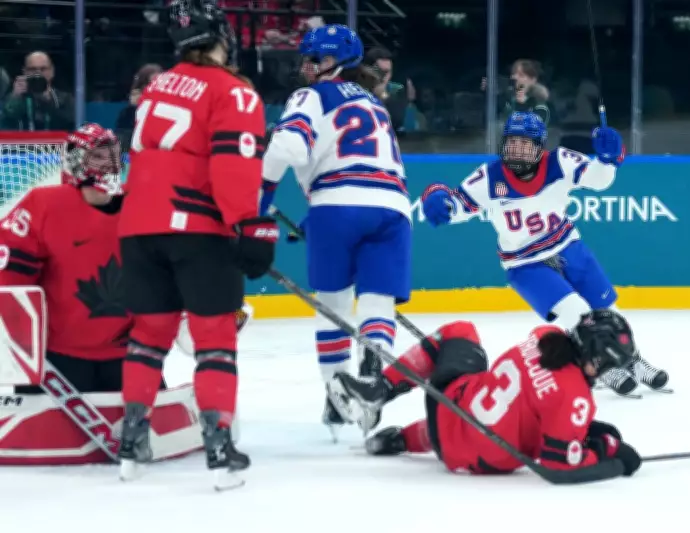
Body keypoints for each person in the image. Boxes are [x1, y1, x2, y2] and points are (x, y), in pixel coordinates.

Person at [117, 0, 278, 490]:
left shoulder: (158, 85)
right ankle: (219, 448)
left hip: (138, 226)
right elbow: (233, 166)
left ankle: (131, 443)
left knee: (148, 335)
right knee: (214, 339)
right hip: (197, 229)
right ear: (221, 36)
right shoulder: (235, 92)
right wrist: (249, 224)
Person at [420, 111, 669, 397]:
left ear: (540, 147)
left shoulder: (560, 161)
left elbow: (598, 180)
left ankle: (633, 360)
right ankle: (600, 365)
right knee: (576, 311)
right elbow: (457, 205)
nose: (518, 151)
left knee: (609, 311)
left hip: (567, 246)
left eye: (525, 145)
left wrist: (607, 160)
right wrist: (436, 198)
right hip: (525, 263)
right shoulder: (489, 177)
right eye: (513, 143)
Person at [259, 24, 410, 439]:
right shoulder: (375, 103)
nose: (308, 66)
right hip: (393, 208)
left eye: (318, 59)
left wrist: (261, 198)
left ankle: (336, 394)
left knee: (334, 304)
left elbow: (288, 149)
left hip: (335, 204)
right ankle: (374, 372)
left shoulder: (311, 96)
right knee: (378, 301)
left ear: (339, 63)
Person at [330, 310, 642, 482]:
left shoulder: (544, 337)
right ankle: (401, 440)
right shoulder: (574, 398)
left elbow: (541, 393)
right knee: (498, 429)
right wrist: (612, 457)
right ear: (596, 357)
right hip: (471, 460)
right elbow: (559, 466)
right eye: (608, 365)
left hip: (447, 407)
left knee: (460, 331)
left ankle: (380, 391)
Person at [0, 123, 129, 393]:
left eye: (112, 155)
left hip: (127, 354)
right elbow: (9, 276)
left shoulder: (139, 205)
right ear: (76, 161)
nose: (108, 164)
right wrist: (21, 346)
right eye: (98, 156)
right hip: (57, 358)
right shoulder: (45, 205)